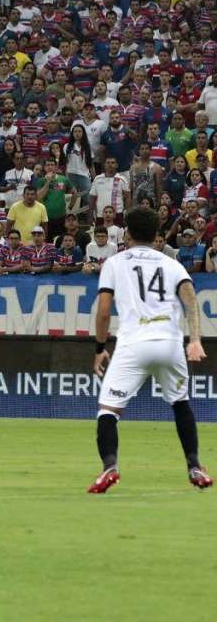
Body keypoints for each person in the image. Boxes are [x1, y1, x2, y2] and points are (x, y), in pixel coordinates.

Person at [87, 206, 212, 493]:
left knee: (108, 410)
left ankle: (109, 467)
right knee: (180, 403)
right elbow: (191, 300)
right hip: (169, 343)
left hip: (133, 343)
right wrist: (194, 339)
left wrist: (99, 348)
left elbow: (103, 312)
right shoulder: (172, 263)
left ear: (127, 233)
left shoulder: (114, 263)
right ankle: (194, 466)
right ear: (156, 233)